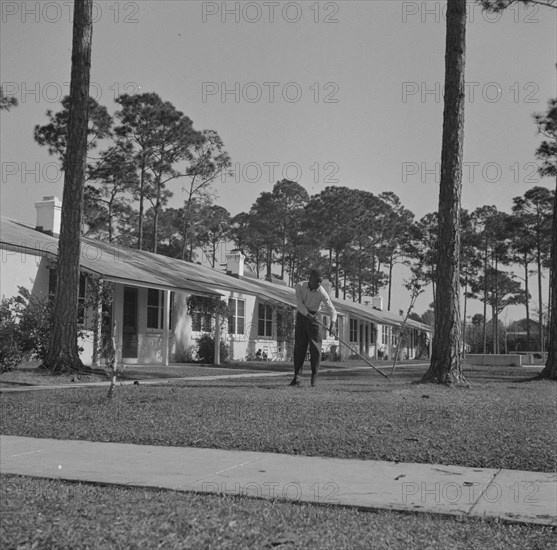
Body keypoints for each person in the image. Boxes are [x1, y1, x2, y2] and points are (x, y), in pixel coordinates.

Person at [290, 269, 337, 387]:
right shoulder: (299, 286)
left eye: (320, 282)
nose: (319, 285)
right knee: (300, 346)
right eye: (317, 282)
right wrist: (307, 315)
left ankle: (314, 377)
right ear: (310, 279)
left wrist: (333, 323)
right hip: (302, 315)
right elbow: (299, 305)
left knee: (316, 348)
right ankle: (297, 376)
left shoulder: (321, 291)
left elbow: (332, 309)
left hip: (315, 317)